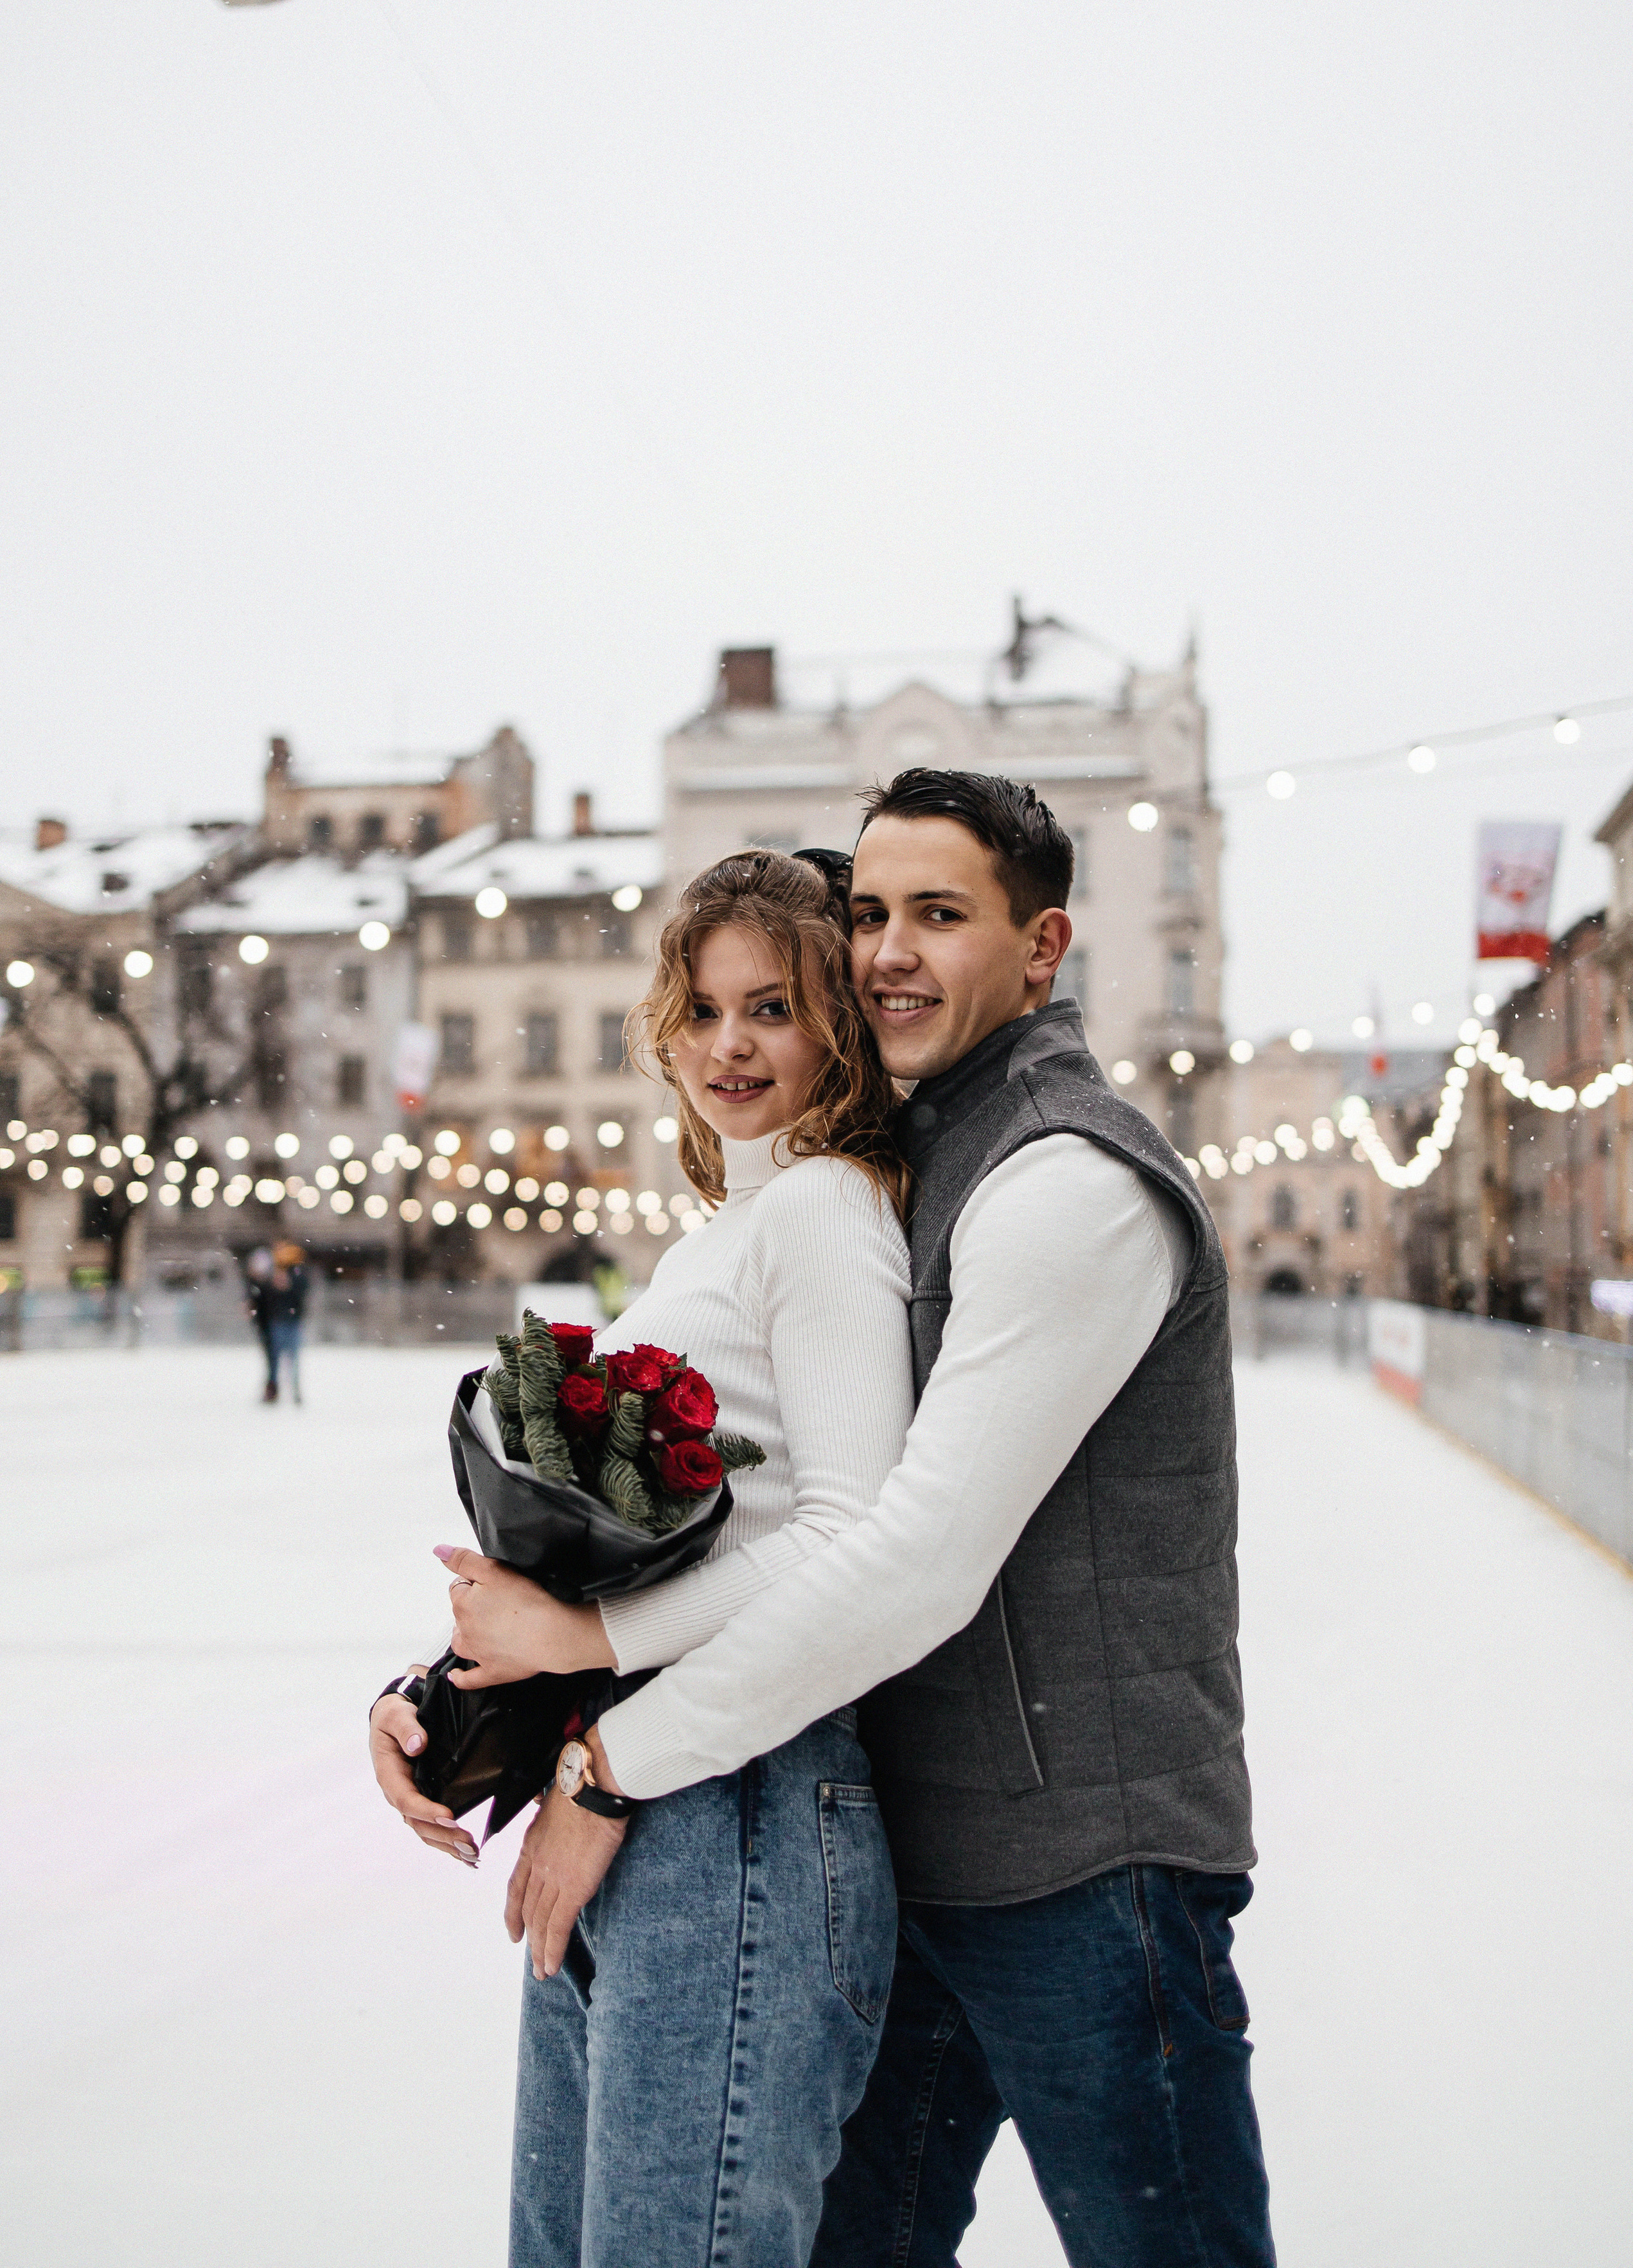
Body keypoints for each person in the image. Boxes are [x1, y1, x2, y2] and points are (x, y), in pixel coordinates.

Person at [457, 771, 1276, 2266]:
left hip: (1086, 1867)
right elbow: (744, 1502)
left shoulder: (1058, 1177)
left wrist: (601, 1750)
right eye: (871, 914)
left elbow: (905, 1558)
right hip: (917, 1834)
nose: (890, 949)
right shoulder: (910, 1156)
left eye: (939, 915)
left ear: (1041, 947)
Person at [369, 850, 917, 2268]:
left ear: (837, 1033)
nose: (729, 1043)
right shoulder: (735, 1226)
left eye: (775, 1009)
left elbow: (848, 1532)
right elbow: (652, 1552)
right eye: (705, 1006)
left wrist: (584, 1651)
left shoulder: (825, 1212)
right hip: (639, 1798)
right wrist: (452, 1686)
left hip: (739, 1810)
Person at [265, 1240, 308, 1404]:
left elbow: (301, 1292)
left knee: (291, 1360)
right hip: (280, 1321)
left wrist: (287, 1286)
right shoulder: (277, 1272)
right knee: (277, 1359)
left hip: (289, 1322)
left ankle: (292, 1390)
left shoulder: (296, 1273)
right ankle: (276, 1390)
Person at [243, 1245, 278, 1402]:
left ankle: (273, 1387)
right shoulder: (254, 1285)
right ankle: (272, 1387)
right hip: (265, 1325)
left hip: (275, 1324)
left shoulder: (269, 1284)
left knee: (274, 1359)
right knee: (271, 1359)